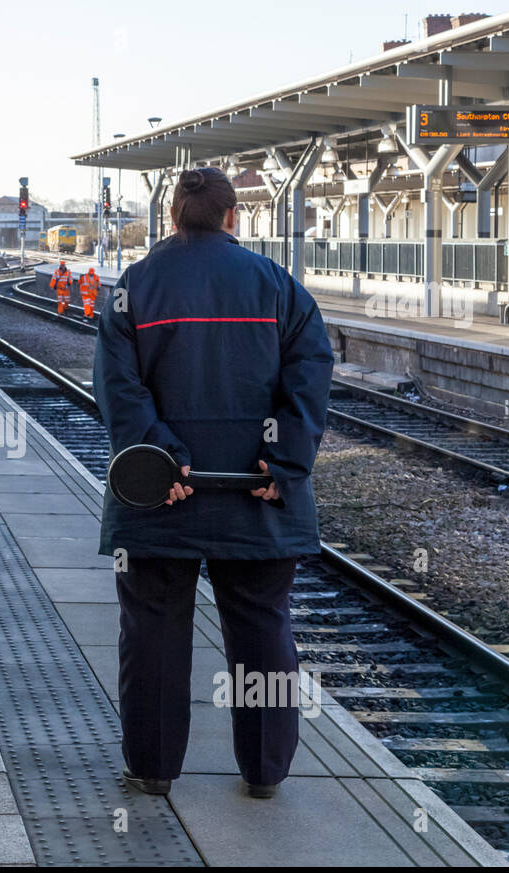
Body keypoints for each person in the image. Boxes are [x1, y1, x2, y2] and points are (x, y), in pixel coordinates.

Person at [93, 166, 333, 800]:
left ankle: (152, 768)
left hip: (159, 498)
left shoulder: (134, 286)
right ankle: (263, 772)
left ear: (174, 217)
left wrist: (160, 462)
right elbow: (311, 372)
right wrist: (280, 463)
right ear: (233, 218)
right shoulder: (279, 286)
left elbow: (119, 391)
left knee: (153, 633)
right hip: (257, 497)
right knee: (262, 630)